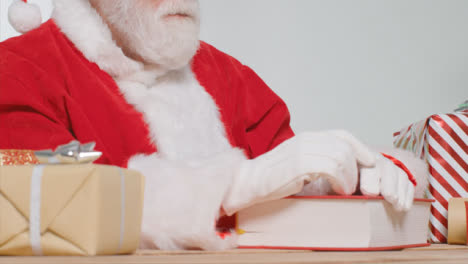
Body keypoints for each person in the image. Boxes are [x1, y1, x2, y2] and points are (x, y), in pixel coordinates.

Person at [1, 0, 427, 250]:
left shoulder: (228, 73)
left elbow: (291, 173)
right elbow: (44, 206)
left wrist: (355, 173)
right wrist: (232, 186)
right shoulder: (17, 71)